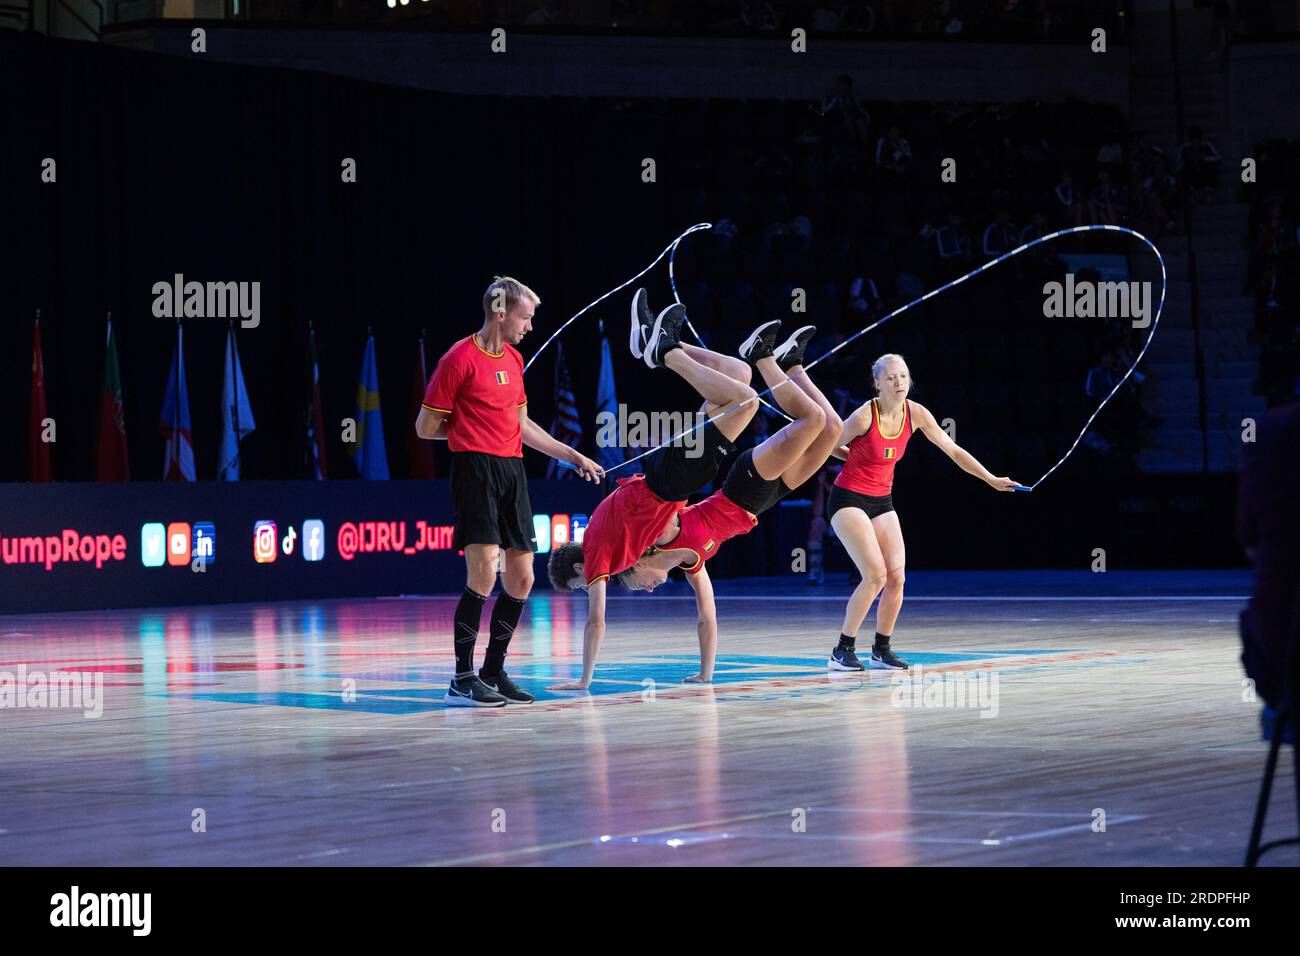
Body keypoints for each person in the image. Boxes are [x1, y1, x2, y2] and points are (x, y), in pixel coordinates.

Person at [572, 322, 843, 683]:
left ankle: (761, 358)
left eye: (639, 585)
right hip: (765, 502)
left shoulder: (662, 532)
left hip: (744, 485)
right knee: (832, 428)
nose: (650, 589)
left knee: (813, 419)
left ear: (638, 561)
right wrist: (705, 674)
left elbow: (629, 511)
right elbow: (707, 616)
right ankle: (791, 365)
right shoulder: (692, 563)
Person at [545, 290, 764, 690]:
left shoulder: (598, 557)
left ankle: (664, 353)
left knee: (747, 401)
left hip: (672, 480)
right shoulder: (605, 537)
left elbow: (596, 622)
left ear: (578, 570)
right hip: (666, 473)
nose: (588, 589)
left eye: (580, 587)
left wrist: (584, 680)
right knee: (742, 377)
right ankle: (669, 341)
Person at [415, 276, 603, 707]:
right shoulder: (457, 359)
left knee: (521, 578)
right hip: (475, 469)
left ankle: (492, 670)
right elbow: (425, 428)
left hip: (512, 471)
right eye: (526, 316)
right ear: (501, 312)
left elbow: (520, 425)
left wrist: (571, 456)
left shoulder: (515, 360)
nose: (530, 326)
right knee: (482, 573)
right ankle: (461, 678)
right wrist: (470, 431)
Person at [827, 353, 1019, 671]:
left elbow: (954, 450)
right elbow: (830, 445)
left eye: (903, 376)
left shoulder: (916, 414)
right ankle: (842, 649)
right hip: (848, 497)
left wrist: (990, 478)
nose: (899, 382)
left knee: (897, 577)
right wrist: (853, 457)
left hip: (881, 500)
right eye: (891, 377)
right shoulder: (864, 416)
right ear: (877, 383)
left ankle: (881, 649)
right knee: (874, 576)